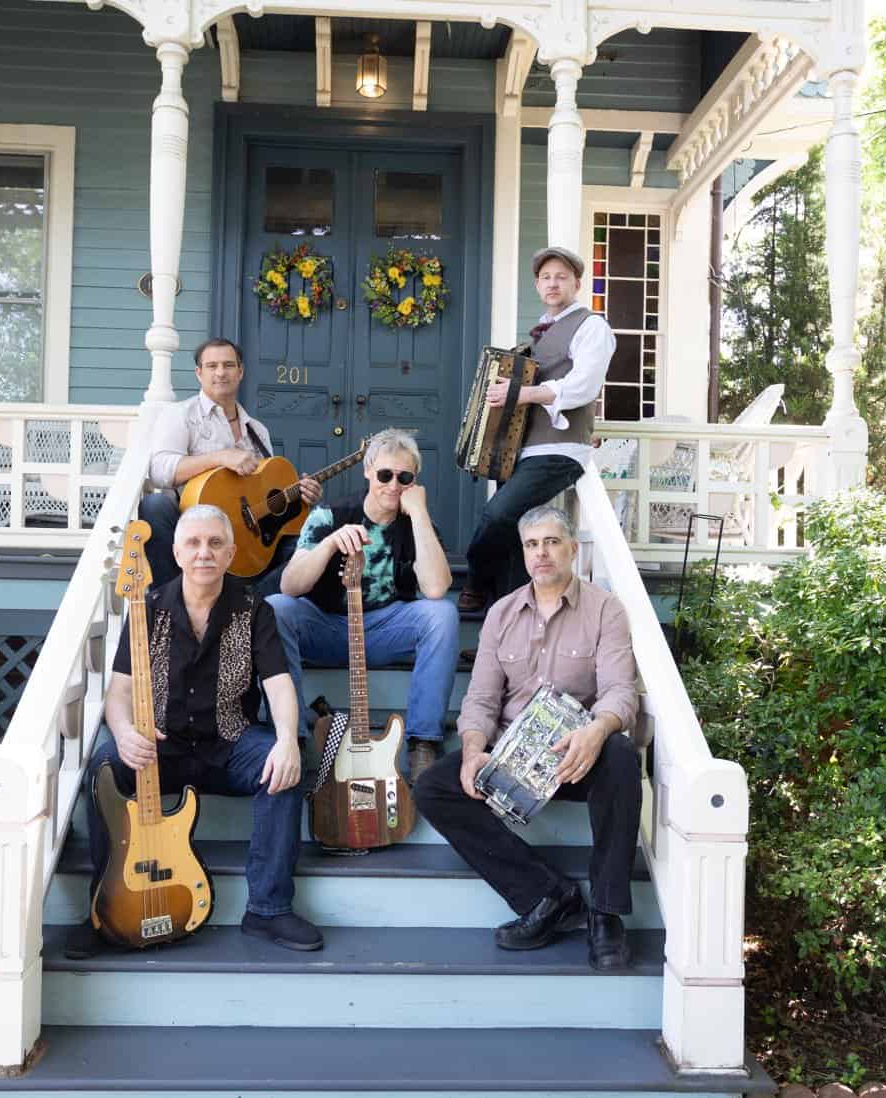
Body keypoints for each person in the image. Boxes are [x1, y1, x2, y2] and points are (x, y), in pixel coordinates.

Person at [84, 503, 323, 952]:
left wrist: (288, 740)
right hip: (159, 750)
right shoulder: (146, 608)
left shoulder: (255, 610)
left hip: (230, 744)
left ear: (231, 554)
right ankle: (105, 906)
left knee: (281, 768)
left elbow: (278, 684)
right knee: (104, 767)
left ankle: (268, 910)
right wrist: (122, 733)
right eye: (193, 543)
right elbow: (118, 694)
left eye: (215, 544)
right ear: (176, 553)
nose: (204, 554)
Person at [415, 505, 640, 971]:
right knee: (434, 785)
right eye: (532, 545)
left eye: (552, 542)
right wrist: (474, 751)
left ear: (572, 549)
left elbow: (620, 690)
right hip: (512, 757)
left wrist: (596, 731)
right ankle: (548, 895)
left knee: (619, 754)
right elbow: (479, 698)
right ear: (523, 553)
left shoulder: (605, 609)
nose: (542, 553)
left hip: (573, 756)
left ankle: (606, 912)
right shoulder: (501, 613)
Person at [267, 428, 458, 783]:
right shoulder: (331, 513)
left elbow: (435, 589)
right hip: (327, 623)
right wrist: (328, 546)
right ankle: (291, 735)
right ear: (368, 471)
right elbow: (290, 585)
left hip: (383, 628)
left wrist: (418, 515)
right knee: (276, 608)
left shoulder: (417, 522)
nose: (393, 485)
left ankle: (423, 743)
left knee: (443, 614)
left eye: (405, 477)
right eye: (385, 475)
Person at [458, 247, 616, 613]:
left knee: (499, 514)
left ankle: (476, 582)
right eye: (546, 277)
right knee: (516, 543)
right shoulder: (539, 336)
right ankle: (501, 634)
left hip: (560, 451)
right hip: (518, 452)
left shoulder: (592, 326)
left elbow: (583, 387)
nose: (552, 283)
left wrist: (520, 393)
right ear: (537, 285)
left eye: (561, 277)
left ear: (577, 283)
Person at [142, 337, 321, 591]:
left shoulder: (257, 430)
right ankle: (171, 603)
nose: (220, 372)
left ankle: (253, 605)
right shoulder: (180, 415)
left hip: (247, 539)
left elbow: (265, 490)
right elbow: (160, 471)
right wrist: (219, 457)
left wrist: (300, 495)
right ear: (198, 373)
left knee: (309, 542)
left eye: (228, 365)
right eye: (212, 366)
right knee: (154, 505)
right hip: (195, 528)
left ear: (240, 372)